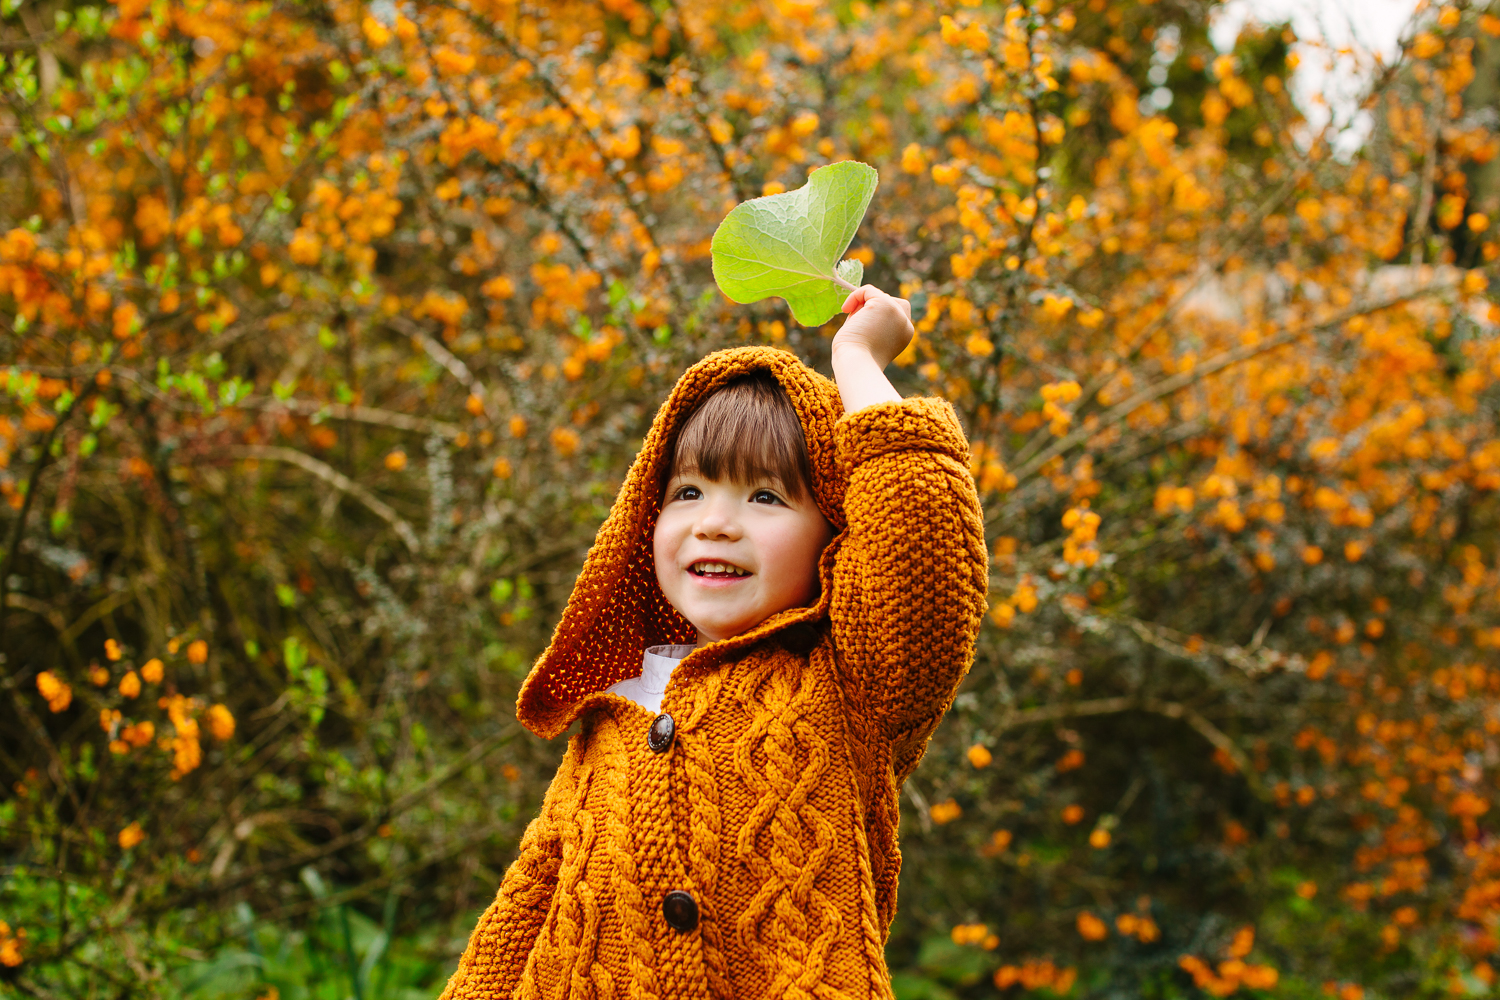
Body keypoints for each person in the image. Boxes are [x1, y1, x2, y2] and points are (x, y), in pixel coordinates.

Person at [438, 285, 987, 1000]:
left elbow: (922, 547)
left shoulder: (850, 680)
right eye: (689, 492)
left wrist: (857, 360)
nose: (716, 523)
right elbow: (524, 915)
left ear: (834, 533)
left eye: (765, 497)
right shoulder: (612, 710)